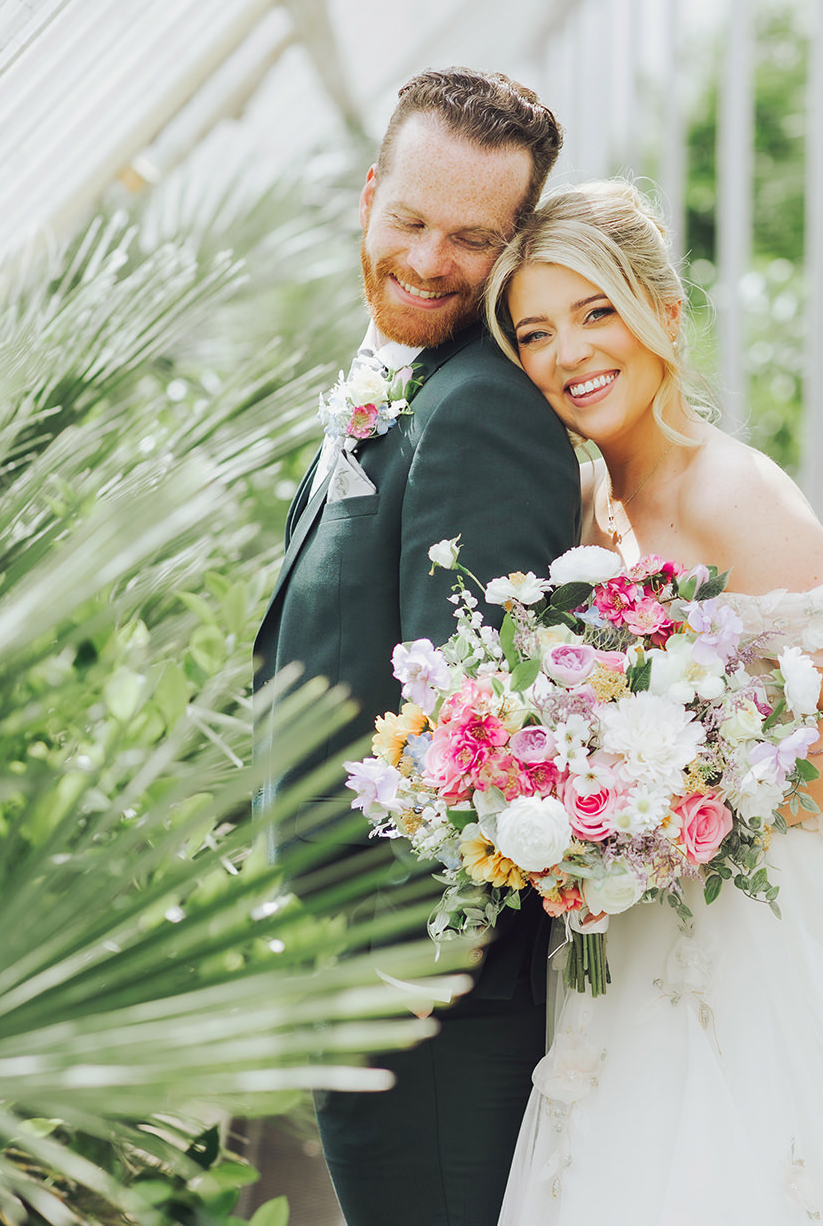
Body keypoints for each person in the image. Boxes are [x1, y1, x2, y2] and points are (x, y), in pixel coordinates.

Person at [483, 181, 823, 1225]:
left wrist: (678, 830)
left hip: (752, 939)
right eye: (536, 331)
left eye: (596, 310)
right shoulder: (588, 502)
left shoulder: (731, 490)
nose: (569, 352)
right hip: (618, 947)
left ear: (664, 311)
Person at [251, 69, 580, 1226]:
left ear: (518, 240)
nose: (431, 260)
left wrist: (401, 981)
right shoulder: (403, 379)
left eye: (472, 237)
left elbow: (485, 746)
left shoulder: (481, 411)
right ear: (367, 197)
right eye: (410, 221)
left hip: (422, 1007)